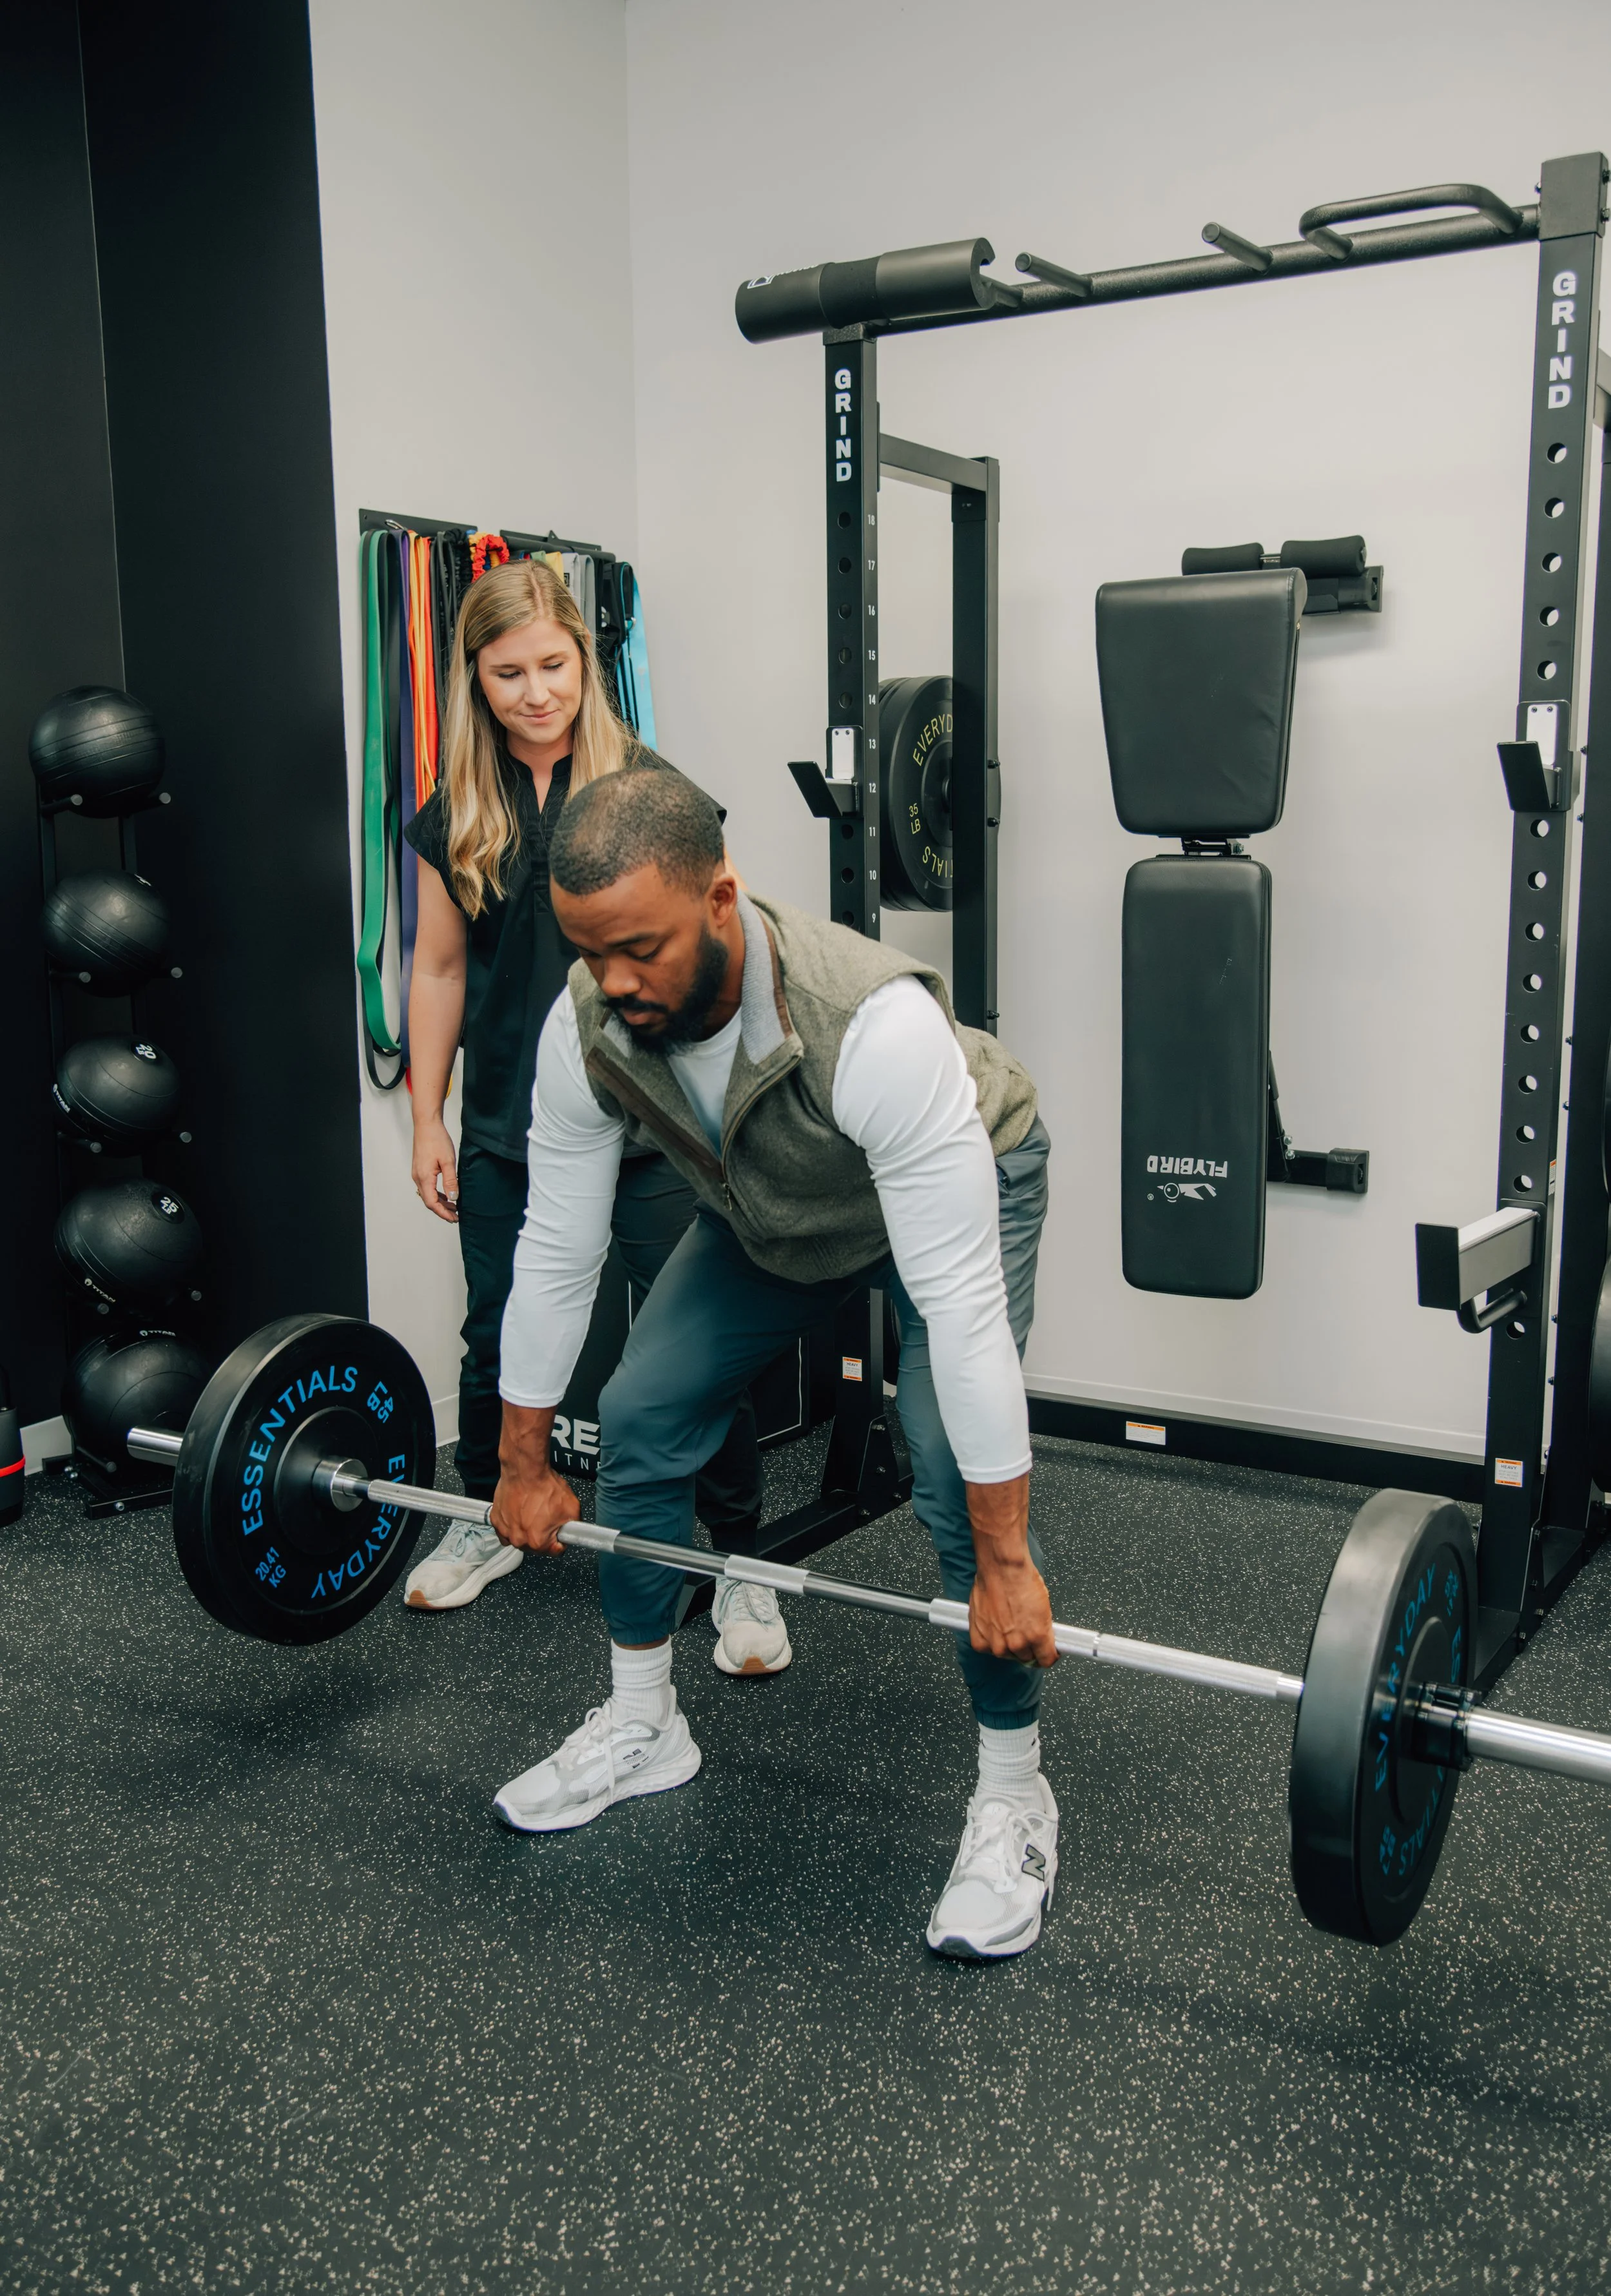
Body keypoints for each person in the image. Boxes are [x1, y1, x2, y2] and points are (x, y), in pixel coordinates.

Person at [486, 765, 1058, 1961]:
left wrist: (1003, 1563)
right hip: (784, 1209)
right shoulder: (590, 1023)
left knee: (951, 1472)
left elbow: (955, 1315)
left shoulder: (873, 1026)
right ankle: (646, 1723)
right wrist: (522, 1464)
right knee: (641, 1408)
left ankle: (1016, 1790)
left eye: (639, 949)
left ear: (721, 897)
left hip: (957, 1186)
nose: (617, 984)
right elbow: (557, 1244)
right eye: (591, 955)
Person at [398, 560, 780, 1677]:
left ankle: (741, 1561)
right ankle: (484, 1509)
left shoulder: (653, 792)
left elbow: (733, 939)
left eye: (553, 666)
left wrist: (736, 1102)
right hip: (515, 1116)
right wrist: (430, 1117)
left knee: (698, 1338)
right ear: (474, 678)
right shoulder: (457, 812)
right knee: (496, 1323)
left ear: (586, 663)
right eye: (508, 672)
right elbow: (435, 969)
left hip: (657, 1114)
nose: (534, 691)